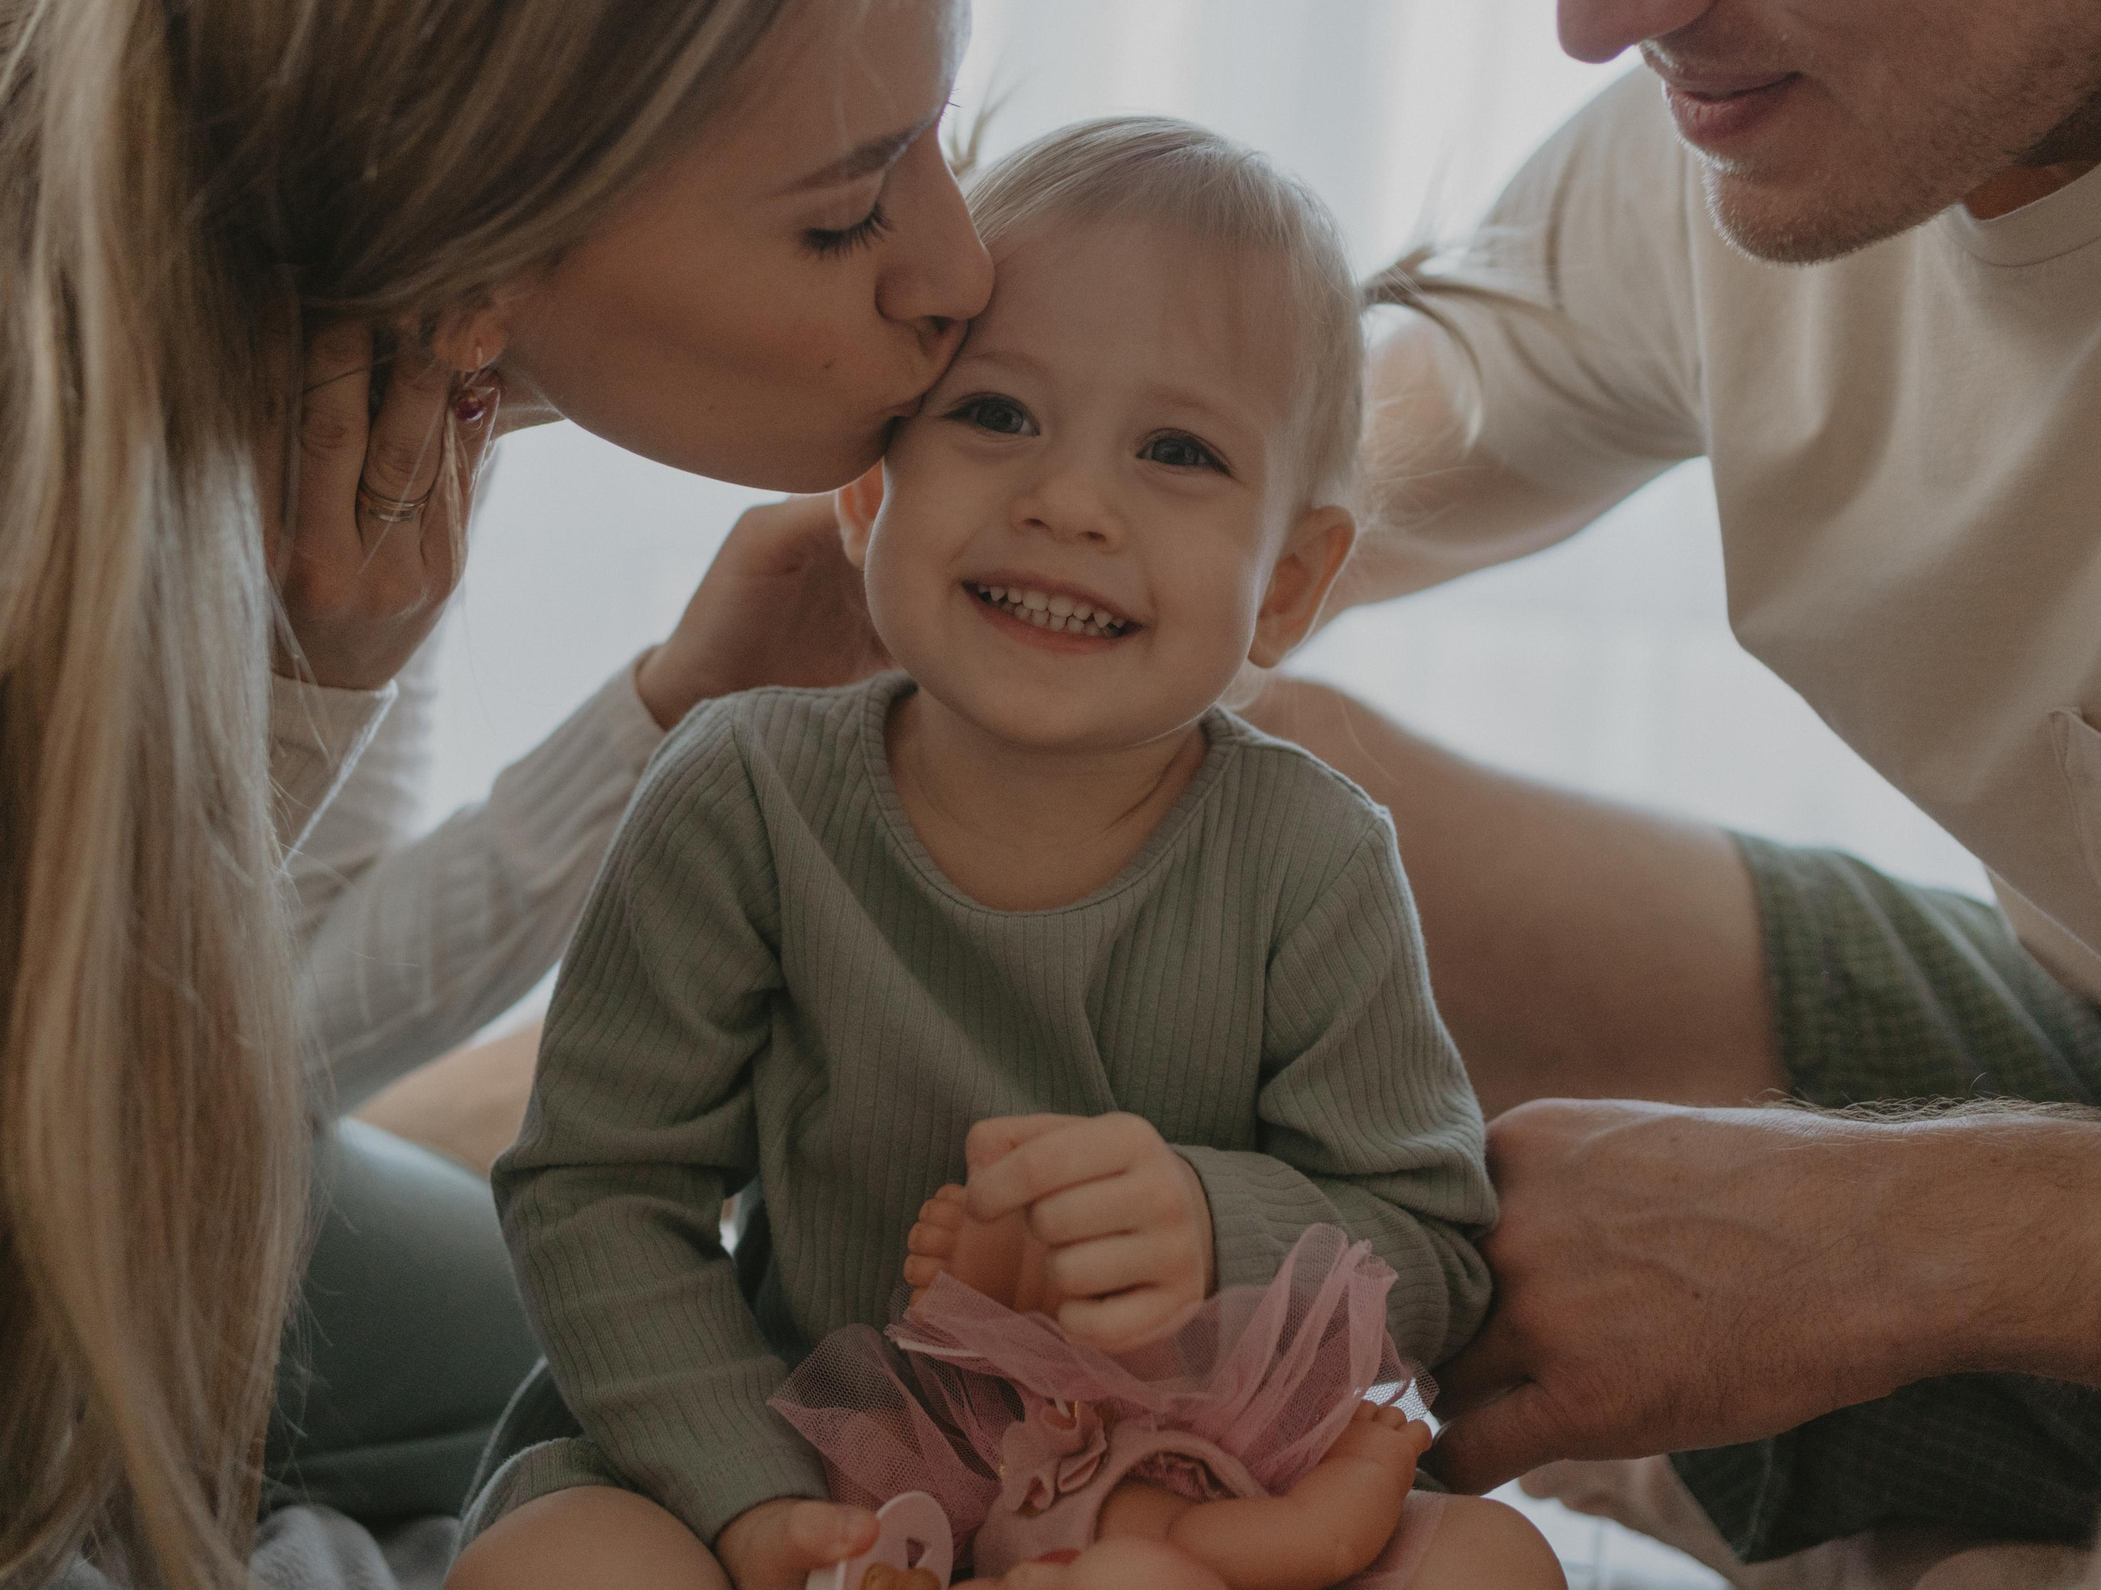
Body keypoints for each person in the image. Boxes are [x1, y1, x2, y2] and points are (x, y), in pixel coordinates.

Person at [0, 0, 989, 1583]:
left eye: (936, 132)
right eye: (848, 215)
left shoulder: (361, 341)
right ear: (485, 241)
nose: (958, 269)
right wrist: (280, 721)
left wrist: (649, 716)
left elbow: (272, 1035)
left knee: (682, 1398)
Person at [1236, 0, 2101, 1572]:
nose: (1595, 1)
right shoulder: (1754, 135)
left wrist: (1904, 1243)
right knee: (1205, 777)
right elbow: (1264, 501)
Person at [448, 119, 1557, 1590]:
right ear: (866, 499)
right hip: (789, 1453)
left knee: (1490, 1568)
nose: (1070, 503)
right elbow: (598, 1188)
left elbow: (1434, 1255)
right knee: (555, 1569)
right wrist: (754, 1501)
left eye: (1177, 451)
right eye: (995, 416)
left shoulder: (1312, 854)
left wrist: (1211, 1223)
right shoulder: (749, 793)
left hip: (1178, 1491)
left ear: (1286, 587)